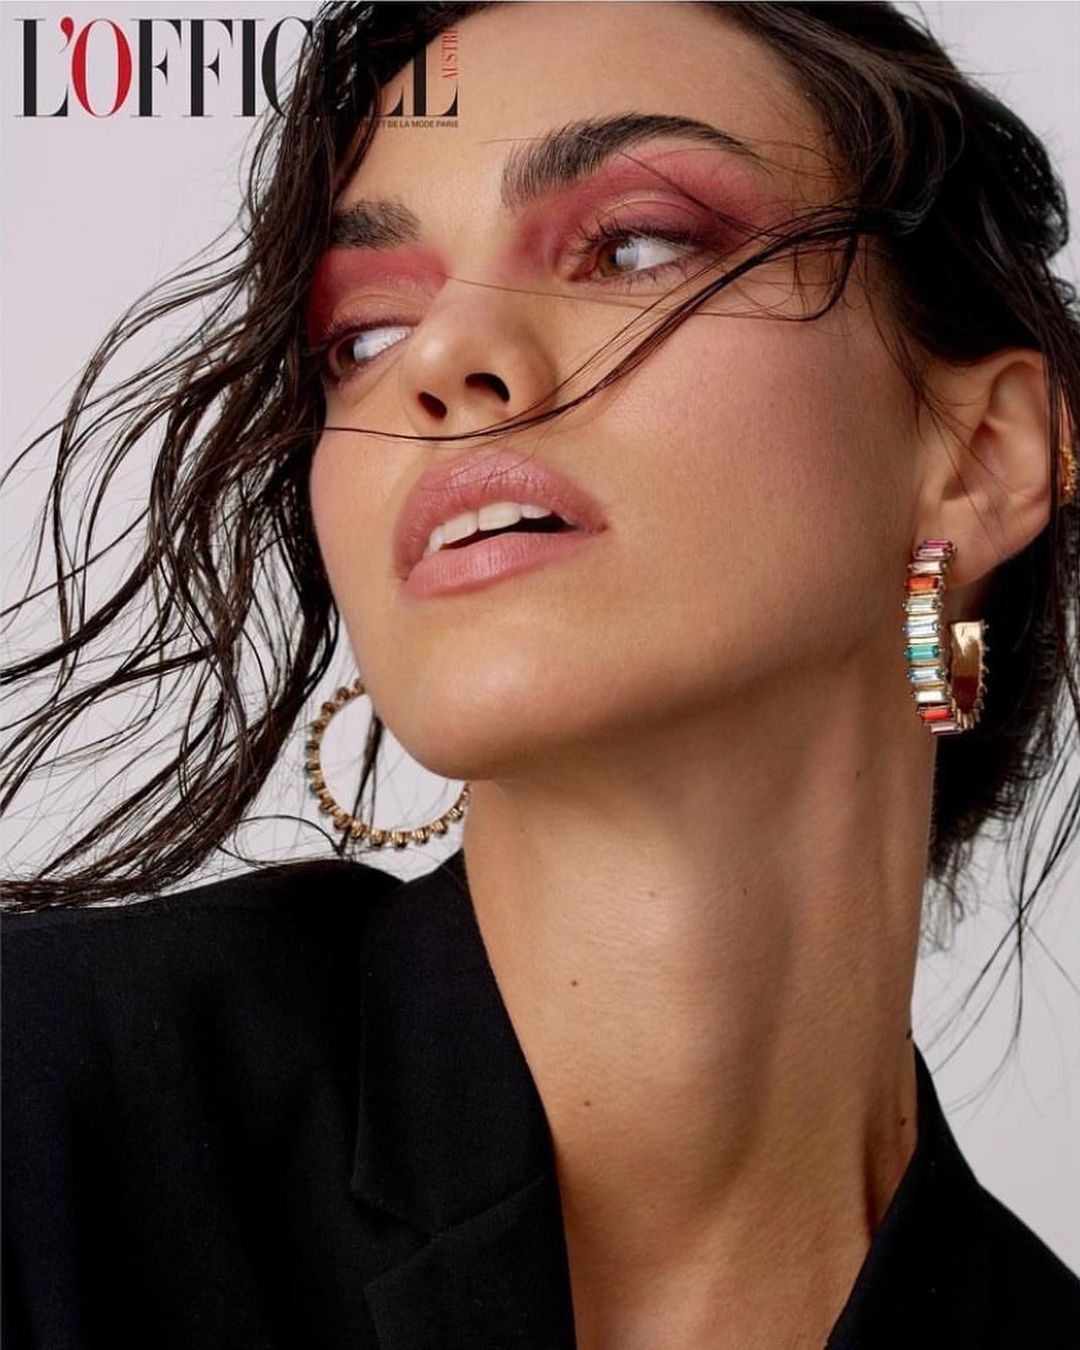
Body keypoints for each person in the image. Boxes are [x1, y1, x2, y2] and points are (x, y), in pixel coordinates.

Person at [2, 2, 1079, 1346]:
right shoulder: (40, 1119)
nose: (440, 360)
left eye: (634, 244)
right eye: (363, 335)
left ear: (984, 455)